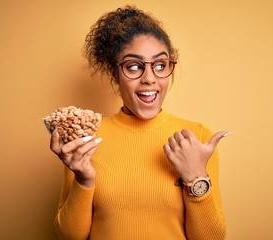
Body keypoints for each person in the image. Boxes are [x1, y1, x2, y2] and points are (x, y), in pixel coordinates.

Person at [50, 5, 229, 240]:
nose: (149, 78)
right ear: (115, 73)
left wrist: (196, 177)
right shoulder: (87, 137)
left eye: (160, 65)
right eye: (134, 66)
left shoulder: (196, 137)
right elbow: (69, 236)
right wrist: (83, 179)